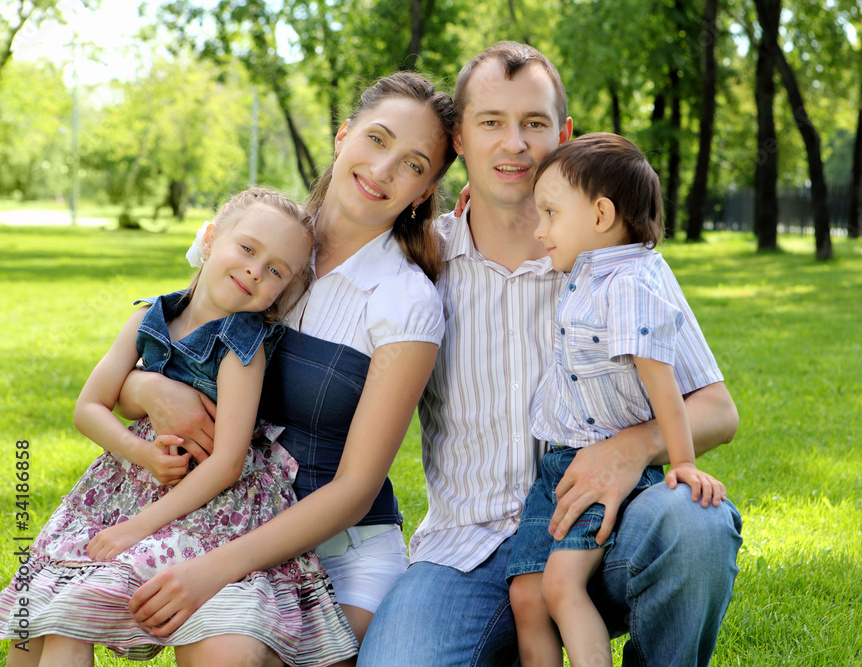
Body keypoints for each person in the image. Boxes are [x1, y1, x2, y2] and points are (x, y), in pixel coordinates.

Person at [357, 42, 743, 667]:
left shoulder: (620, 267)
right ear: (459, 139)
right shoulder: (420, 265)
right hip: (466, 550)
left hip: (601, 532)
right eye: (491, 123)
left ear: (562, 133)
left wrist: (630, 447)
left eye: (533, 124)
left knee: (694, 524)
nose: (514, 144)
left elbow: (718, 409)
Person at [109, 72, 457, 667]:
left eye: (414, 164)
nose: (382, 169)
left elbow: (355, 490)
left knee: (228, 656)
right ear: (343, 135)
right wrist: (148, 387)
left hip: (341, 558)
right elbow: (148, 352)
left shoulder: (405, 301)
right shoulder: (258, 243)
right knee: (48, 613)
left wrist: (211, 570)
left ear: (424, 193)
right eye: (376, 140)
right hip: (219, 523)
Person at [0, 187, 359, 667]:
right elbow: (89, 407)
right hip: (124, 489)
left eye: (276, 271)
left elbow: (229, 462)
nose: (255, 270)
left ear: (284, 291)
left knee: (70, 611)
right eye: (247, 248)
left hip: (204, 508)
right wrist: (141, 454)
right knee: (37, 623)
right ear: (210, 239)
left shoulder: (240, 347)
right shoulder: (150, 318)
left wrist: (139, 527)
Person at [505, 132, 728, 667]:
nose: (540, 231)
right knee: (527, 596)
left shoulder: (632, 285)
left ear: (601, 214)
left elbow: (664, 387)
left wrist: (683, 462)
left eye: (551, 214)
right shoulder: (586, 271)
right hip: (558, 467)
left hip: (600, 464)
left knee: (560, 588)